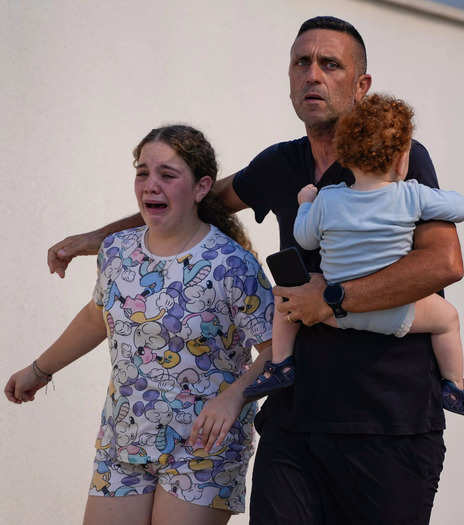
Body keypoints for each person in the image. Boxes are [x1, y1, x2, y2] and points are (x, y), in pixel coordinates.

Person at [45, 17, 462, 524]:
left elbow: (443, 263)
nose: (313, 75)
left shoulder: (396, 158)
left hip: (387, 422)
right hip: (296, 416)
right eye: (301, 63)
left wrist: (332, 298)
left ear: (361, 85)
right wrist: (98, 239)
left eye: (330, 64)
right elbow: (191, 201)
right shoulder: (280, 165)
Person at [5, 125, 274, 525]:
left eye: (167, 175)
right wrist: (40, 369)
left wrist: (235, 396)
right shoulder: (117, 250)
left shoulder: (233, 265)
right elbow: (98, 317)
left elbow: (277, 352)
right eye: (142, 172)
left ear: (201, 188)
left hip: (203, 450)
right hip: (124, 438)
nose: (151, 185)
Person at [244, 93, 464, 418]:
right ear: (400, 160)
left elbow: (304, 239)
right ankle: (455, 386)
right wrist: (436, 196)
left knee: (285, 304)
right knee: (447, 319)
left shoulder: (328, 199)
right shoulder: (412, 195)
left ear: (346, 157)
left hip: (333, 313)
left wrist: (306, 204)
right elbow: (460, 209)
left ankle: (281, 364)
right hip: (395, 311)